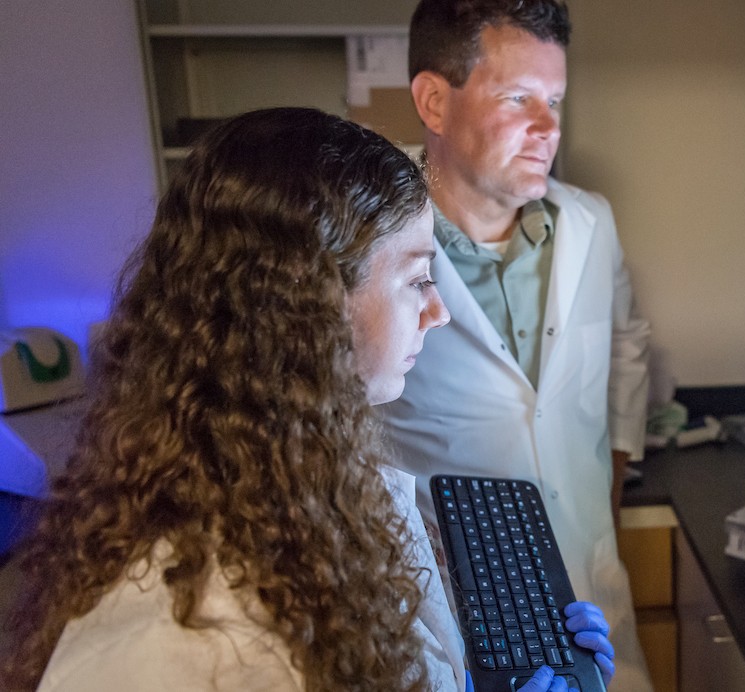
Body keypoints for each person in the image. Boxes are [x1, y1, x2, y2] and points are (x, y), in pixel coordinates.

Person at [0, 107, 612, 692]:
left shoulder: (297, 486)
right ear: (312, 303)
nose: (438, 311)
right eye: (417, 279)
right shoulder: (202, 629)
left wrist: (498, 668)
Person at [378, 2, 654, 689]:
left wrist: (608, 501)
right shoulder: (371, 240)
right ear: (434, 102)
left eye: (555, 100)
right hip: (455, 610)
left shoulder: (591, 221)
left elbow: (626, 351)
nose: (550, 127)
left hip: (592, 590)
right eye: (518, 98)